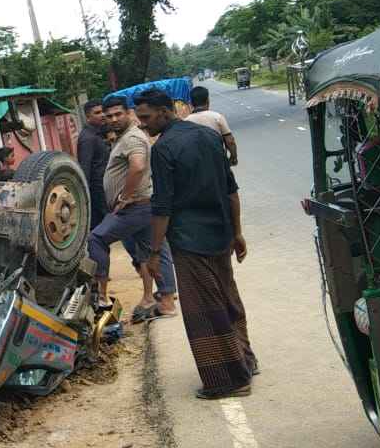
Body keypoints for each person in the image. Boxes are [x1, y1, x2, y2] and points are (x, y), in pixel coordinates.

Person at [135, 88, 257, 400]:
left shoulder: (163, 149)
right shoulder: (209, 136)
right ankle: (246, 361)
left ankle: (230, 380)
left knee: (204, 310)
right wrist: (237, 232)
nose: (142, 125)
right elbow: (231, 189)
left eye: (146, 118)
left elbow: (162, 206)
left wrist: (154, 252)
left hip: (189, 241)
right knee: (227, 298)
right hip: (221, 233)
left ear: (165, 112)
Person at [86, 95, 177, 316]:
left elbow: (138, 166)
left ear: (129, 113)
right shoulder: (123, 137)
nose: (114, 119)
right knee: (151, 252)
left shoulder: (132, 138)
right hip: (141, 207)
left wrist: (125, 197)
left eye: (118, 114)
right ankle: (163, 301)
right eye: (109, 116)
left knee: (96, 238)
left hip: (135, 207)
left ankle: (102, 297)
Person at [75, 99, 110, 227]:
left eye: (103, 111)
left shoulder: (98, 134)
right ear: (88, 117)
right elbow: (85, 167)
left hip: (105, 186)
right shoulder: (88, 138)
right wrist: (86, 194)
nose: (102, 115)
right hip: (98, 190)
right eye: (97, 113)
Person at [185, 86, 239, 166]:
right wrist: (233, 157)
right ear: (208, 100)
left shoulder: (186, 122)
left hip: (197, 164)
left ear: (191, 103)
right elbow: (230, 141)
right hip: (218, 161)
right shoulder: (217, 117)